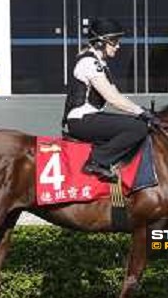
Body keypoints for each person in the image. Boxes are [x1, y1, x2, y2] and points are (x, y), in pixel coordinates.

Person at [62, 18, 159, 182]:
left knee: (136, 123)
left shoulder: (100, 63)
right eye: (114, 42)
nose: (118, 46)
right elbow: (112, 98)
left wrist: (140, 110)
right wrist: (141, 112)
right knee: (138, 128)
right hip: (81, 120)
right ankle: (96, 161)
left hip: (88, 118)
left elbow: (117, 95)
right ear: (100, 43)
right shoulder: (89, 62)